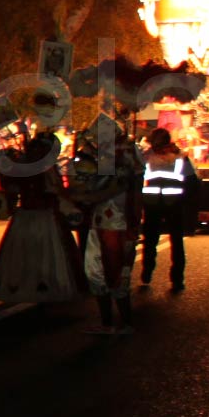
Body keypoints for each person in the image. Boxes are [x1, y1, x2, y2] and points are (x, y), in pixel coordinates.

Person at [0, 130, 82, 304]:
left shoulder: (43, 169)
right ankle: (36, 288)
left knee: (43, 254)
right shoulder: (26, 168)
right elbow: (13, 191)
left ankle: (45, 288)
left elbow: (55, 193)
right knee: (31, 254)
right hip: (33, 216)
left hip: (42, 216)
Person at [70, 115, 139, 335]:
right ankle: (107, 323)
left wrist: (81, 196)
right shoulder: (102, 163)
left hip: (117, 226)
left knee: (116, 275)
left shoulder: (124, 167)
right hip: (98, 224)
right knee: (95, 273)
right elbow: (86, 188)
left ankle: (126, 323)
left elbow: (104, 192)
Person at [139, 128, 196, 292]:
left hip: (153, 203)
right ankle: (177, 279)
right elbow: (192, 182)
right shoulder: (180, 157)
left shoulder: (146, 157)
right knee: (175, 242)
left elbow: (136, 178)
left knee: (150, 241)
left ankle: (147, 274)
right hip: (173, 203)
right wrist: (186, 202)